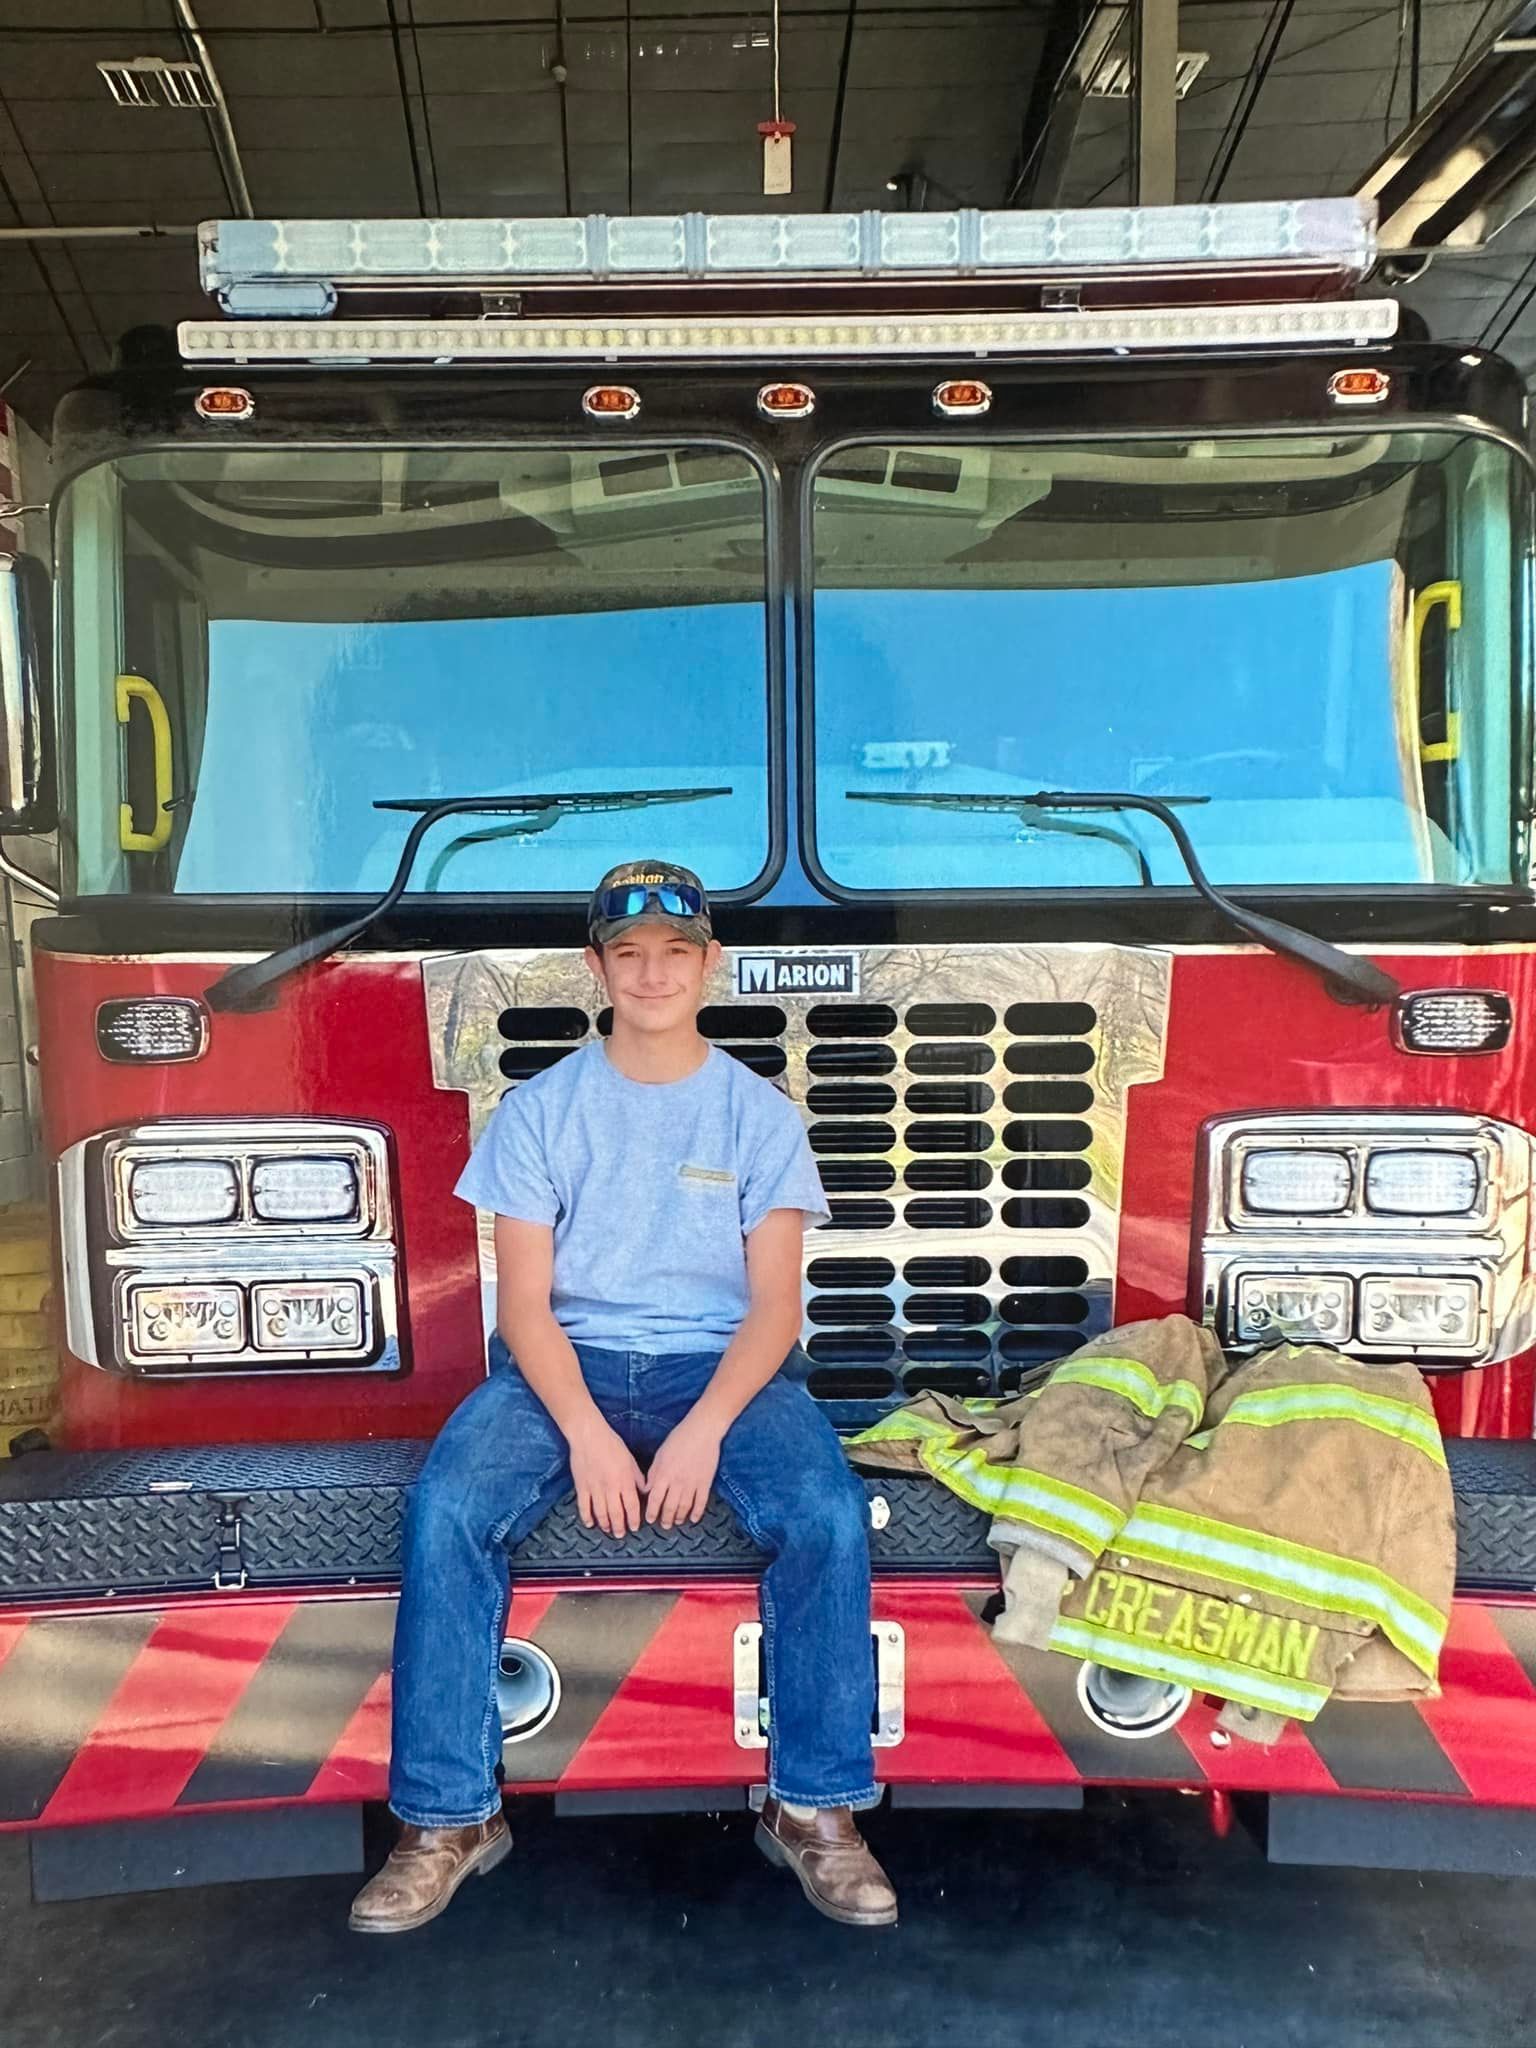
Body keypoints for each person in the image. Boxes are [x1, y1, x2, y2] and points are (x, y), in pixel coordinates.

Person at [350, 859, 897, 1935]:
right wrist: (591, 1437)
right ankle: (447, 1817)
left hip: (723, 1369)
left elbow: (775, 1314)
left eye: (677, 952)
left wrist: (698, 1433)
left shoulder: (757, 1115)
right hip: (570, 1360)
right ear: (596, 967)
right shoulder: (541, 1112)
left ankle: (816, 1806)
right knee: (449, 1505)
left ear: (711, 964)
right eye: (630, 954)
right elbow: (527, 1309)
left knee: (826, 1515)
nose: (654, 973)